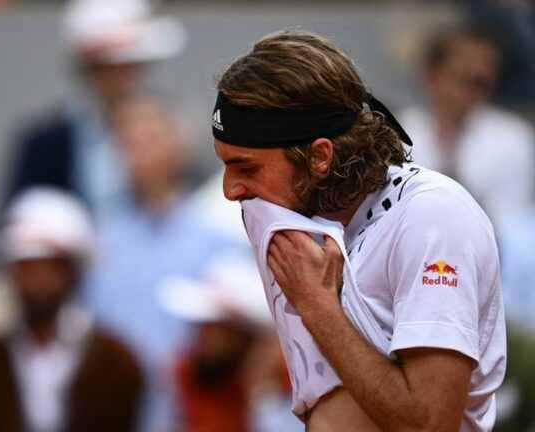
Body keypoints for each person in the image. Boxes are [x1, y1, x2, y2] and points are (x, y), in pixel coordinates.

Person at [211, 31, 506, 431]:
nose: (231, 191)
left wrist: (318, 307)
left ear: (319, 156)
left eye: (247, 168)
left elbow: (430, 425)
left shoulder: (433, 217)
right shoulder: (296, 221)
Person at [81, 94, 239, 429]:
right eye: (126, 142)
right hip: (116, 413)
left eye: (149, 138)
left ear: (178, 146)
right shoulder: (98, 245)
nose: (138, 154)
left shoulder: (218, 238)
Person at [0, 187, 144, 432]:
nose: (37, 281)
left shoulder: (118, 363)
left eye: (50, 268)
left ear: (74, 273)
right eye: (26, 268)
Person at [1, 0, 185, 217]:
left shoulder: (167, 133)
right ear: (91, 69)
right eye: (120, 66)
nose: (132, 76)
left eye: (137, 65)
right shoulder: (44, 144)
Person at [399, 24, 534, 225]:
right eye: (462, 77)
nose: (470, 91)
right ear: (432, 77)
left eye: (480, 82)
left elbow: (513, 223)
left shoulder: (514, 138)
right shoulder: (393, 132)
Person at [159, 253, 302, 432]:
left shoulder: (290, 386)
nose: (203, 336)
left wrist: (261, 392)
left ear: (245, 335)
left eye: (216, 327)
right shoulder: (190, 371)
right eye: (202, 325)